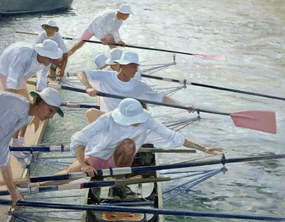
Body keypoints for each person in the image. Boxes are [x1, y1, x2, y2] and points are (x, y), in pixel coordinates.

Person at [48, 98, 222, 190]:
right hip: (98, 158)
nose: (139, 122)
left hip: (119, 163)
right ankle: (25, 186)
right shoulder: (107, 119)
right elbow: (79, 138)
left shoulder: (147, 121)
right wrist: (84, 164)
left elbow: (175, 137)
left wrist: (204, 149)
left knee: (129, 144)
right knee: (64, 177)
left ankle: (119, 181)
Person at [76, 51, 194, 123]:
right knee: (91, 112)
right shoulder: (106, 76)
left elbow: (162, 98)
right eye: (133, 66)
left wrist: (183, 106)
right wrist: (88, 87)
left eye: (136, 66)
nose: (136, 70)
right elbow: (81, 72)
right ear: (122, 65)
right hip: (109, 119)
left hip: (126, 122)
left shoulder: (139, 86)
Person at [0, 87, 64, 206]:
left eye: (53, 113)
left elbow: (3, 149)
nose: (50, 116)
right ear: (41, 102)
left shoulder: (26, 115)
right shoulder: (16, 112)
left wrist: (12, 191)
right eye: (50, 110)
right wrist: (12, 191)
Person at [0, 39, 63, 147]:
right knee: (15, 110)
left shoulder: (45, 61)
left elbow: (41, 79)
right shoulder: (23, 56)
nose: (52, 61)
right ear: (42, 54)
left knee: (27, 110)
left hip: (21, 76)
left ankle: (18, 142)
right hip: (7, 70)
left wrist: (41, 98)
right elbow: (12, 82)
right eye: (50, 58)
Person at [68, 4, 133, 56]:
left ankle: (115, 64)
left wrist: (119, 41)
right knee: (80, 43)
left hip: (107, 32)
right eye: (128, 15)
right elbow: (96, 25)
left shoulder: (120, 20)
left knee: (114, 47)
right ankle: (66, 56)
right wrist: (101, 38)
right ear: (122, 13)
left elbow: (114, 30)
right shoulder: (108, 15)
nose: (128, 17)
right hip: (92, 28)